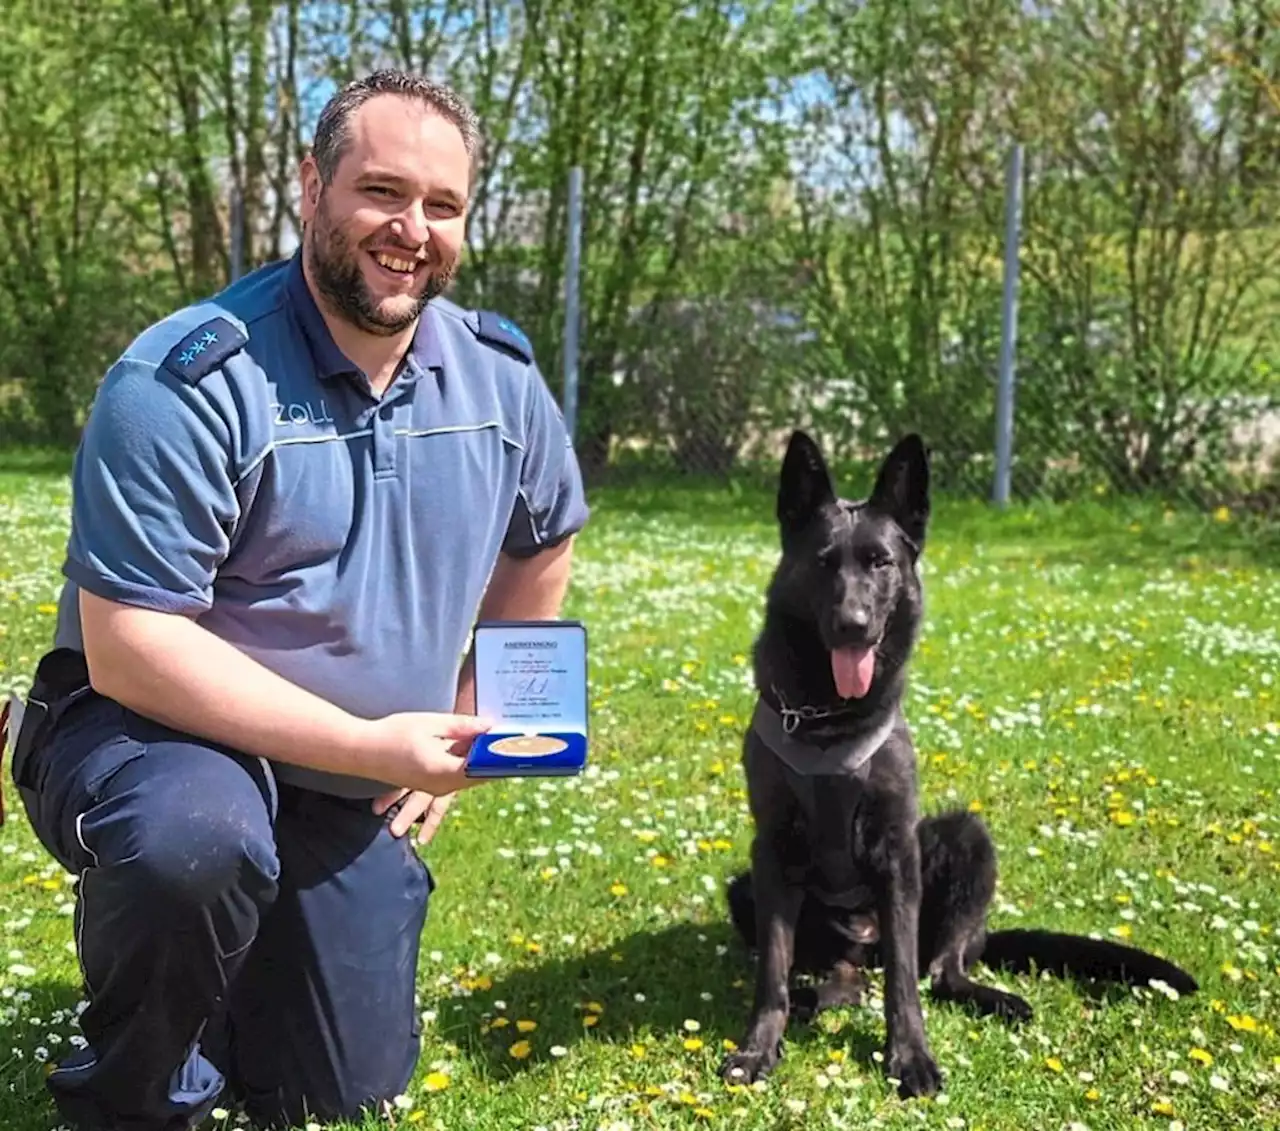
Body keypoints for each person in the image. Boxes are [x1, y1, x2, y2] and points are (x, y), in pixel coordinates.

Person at [9, 69, 589, 1131]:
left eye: (443, 205)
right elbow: (133, 646)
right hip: (150, 733)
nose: (411, 229)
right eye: (381, 192)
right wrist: (377, 747)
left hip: (338, 780)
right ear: (311, 185)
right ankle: (135, 1098)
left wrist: (478, 706)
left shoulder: (501, 379)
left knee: (337, 1088)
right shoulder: (185, 382)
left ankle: (227, 971)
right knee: (193, 841)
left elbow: (541, 541)